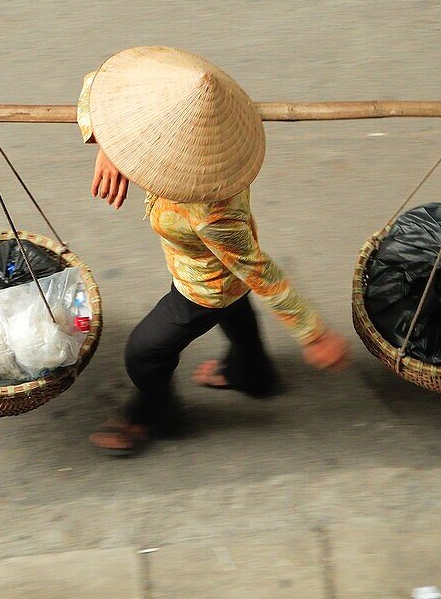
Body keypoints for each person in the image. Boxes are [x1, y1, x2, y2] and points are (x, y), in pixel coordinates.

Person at [77, 46, 350, 455]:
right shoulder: (189, 95)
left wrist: (312, 333)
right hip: (214, 263)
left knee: (144, 352)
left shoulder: (213, 213)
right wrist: (112, 144)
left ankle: (154, 414)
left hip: (205, 283)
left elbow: (259, 272)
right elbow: (100, 86)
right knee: (237, 311)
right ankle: (254, 375)